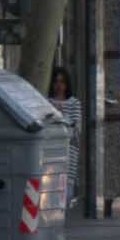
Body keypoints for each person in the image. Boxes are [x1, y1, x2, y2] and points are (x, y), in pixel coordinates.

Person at [49, 68, 83, 211]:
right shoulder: (46, 101)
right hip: (51, 151)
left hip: (69, 151)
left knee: (67, 184)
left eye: (62, 82)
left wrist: (60, 121)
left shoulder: (74, 102)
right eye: (56, 82)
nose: (59, 85)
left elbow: (75, 128)